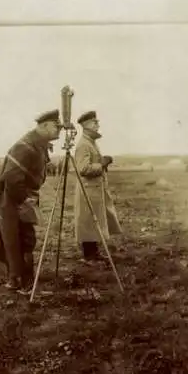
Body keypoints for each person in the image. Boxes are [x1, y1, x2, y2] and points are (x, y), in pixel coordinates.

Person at [0, 109, 62, 293]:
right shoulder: (25, 146)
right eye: (55, 126)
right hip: (10, 195)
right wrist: (25, 200)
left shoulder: (38, 143)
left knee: (16, 237)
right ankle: (25, 284)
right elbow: (11, 177)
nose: (59, 130)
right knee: (22, 237)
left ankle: (15, 280)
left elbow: (39, 166)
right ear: (43, 126)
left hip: (13, 193)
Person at [74, 110, 122, 263]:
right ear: (87, 125)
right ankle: (89, 256)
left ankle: (93, 253)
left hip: (94, 190)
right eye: (95, 122)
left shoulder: (90, 143)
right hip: (88, 190)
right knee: (88, 222)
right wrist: (101, 163)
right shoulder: (83, 145)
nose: (98, 125)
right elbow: (83, 169)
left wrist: (102, 162)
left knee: (93, 222)